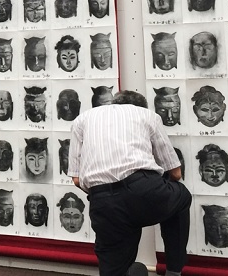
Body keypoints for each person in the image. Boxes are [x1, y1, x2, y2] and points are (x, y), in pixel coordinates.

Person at [68, 90, 191, 276]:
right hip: (143, 189)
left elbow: (76, 179)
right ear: (140, 107)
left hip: (102, 200)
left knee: (114, 269)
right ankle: (174, 271)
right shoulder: (147, 115)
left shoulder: (82, 119)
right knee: (182, 197)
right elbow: (176, 173)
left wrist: (106, 192)